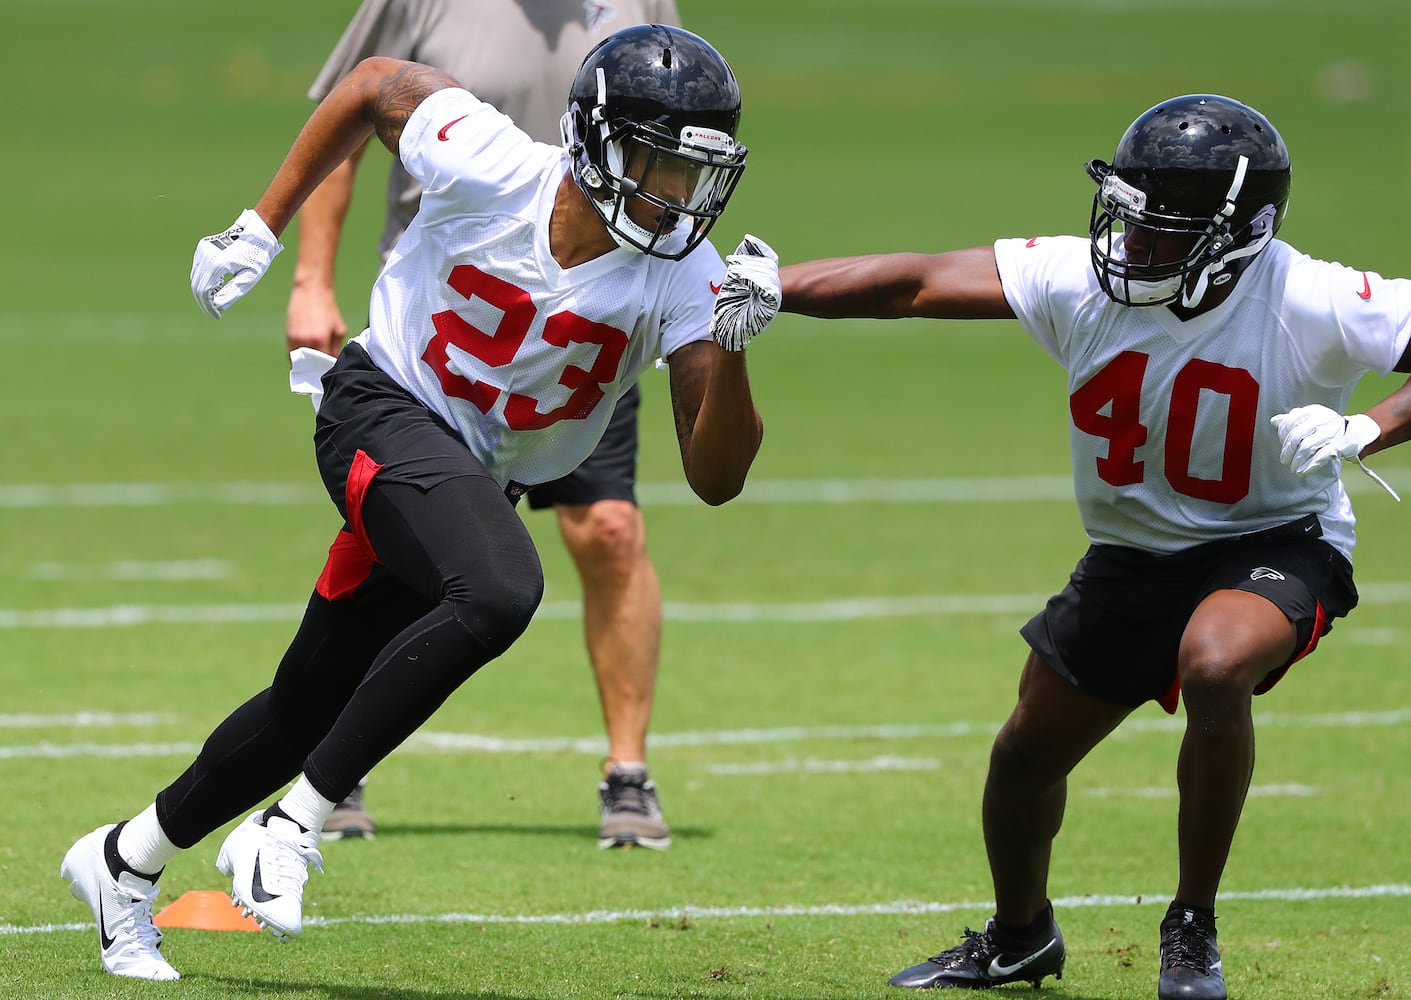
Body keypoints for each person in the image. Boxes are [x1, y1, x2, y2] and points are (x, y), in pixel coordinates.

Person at [61, 24, 781, 981]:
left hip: (473, 478)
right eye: (656, 164)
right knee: (498, 590)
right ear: (598, 143)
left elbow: (717, 477)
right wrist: (265, 227)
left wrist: (733, 343)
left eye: (693, 175)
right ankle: (292, 826)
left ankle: (124, 860)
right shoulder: (491, 160)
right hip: (379, 407)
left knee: (303, 707)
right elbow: (370, 84)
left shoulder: (688, 275)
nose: (676, 196)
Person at [776, 94, 1411, 999]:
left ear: (1241, 234)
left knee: (1216, 662)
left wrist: (1367, 426)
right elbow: (909, 282)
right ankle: (1019, 936)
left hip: (1273, 539)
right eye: (1128, 218)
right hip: (1130, 556)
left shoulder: (1309, 297)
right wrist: (763, 287)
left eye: (1162, 230)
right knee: (1023, 758)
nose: (1130, 245)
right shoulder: (1079, 276)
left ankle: (1191, 926)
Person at [290, 0, 686, 851]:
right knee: (426, 552)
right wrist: (309, 279)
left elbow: (676, 122)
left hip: (596, 328)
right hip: (450, 328)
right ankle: (340, 761)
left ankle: (628, 771)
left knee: (609, 530)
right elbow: (357, 109)